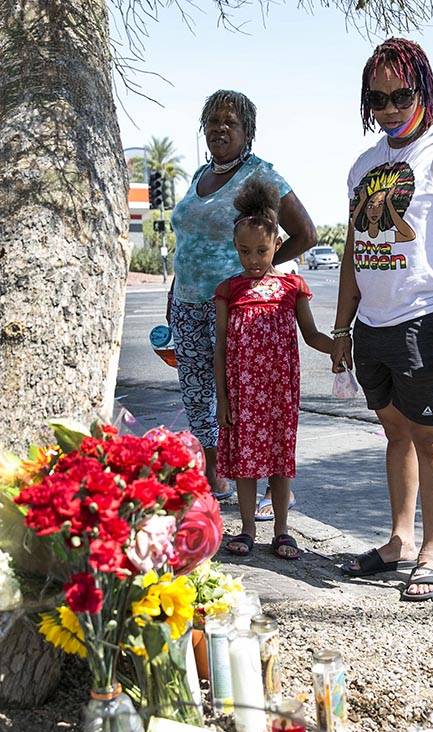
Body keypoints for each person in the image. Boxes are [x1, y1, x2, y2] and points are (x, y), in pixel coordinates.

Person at [331, 38, 433, 600]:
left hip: (425, 319)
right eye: (378, 98)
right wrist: (343, 329)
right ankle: (398, 541)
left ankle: (432, 551)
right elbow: (353, 252)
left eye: (402, 94)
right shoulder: (364, 165)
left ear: (424, 87)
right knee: (394, 433)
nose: (391, 107)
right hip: (372, 326)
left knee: (432, 440)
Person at [169, 90, 316, 501]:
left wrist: (258, 276)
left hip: (237, 309)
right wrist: (172, 291)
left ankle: (269, 490)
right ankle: (217, 481)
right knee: (198, 393)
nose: (219, 128)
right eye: (212, 121)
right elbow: (188, 241)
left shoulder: (260, 175)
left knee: (245, 399)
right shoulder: (199, 175)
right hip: (187, 304)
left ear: (247, 131)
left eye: (230, 122)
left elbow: (306, 233)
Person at [214, 179, 333, 559]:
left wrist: (340, 348)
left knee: (280, 461)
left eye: (261, 251)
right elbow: (220, 347)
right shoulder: (228, 290)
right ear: (235, 249)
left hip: (280, 392)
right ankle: (247, 529)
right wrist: (222, 398)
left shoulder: (291, 287)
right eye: (244, 251)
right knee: (246, 463)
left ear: (277, 247)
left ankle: (282, 531)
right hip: (242, 395)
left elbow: (312, 334)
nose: (252, 259)